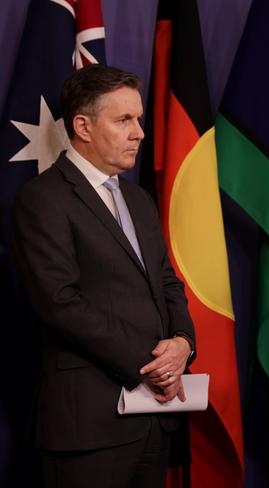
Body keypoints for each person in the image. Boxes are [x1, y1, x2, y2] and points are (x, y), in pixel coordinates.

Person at [11, 64, 196, 488]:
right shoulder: (43, 199)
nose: (139, 133)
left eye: (140, 119)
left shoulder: (137, 198)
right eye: (124, 120)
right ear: (83, 126)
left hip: (154, 421)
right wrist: (152, 362)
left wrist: (183, 343)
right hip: (89, 426)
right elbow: (59, 302)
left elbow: (167, 282)